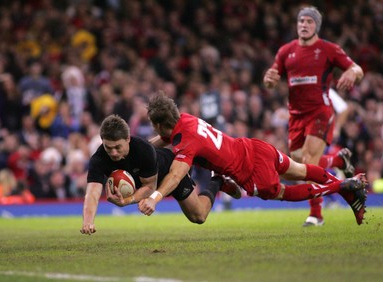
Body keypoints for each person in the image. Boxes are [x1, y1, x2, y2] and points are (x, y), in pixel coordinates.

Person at [139, 92, 368, 226]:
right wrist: (138, 151)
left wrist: (155, 199)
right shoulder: (185, 119)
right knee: (300, 170)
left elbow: (177, 174)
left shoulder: (185, 142)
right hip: (254, 147)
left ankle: (343, 186)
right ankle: (345, 185)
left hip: (250, 171)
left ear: (159, 124)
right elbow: (164, 139)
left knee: (282, 193)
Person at [263, 6, 364, 226]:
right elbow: (271, 79)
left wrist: (350, 72)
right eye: (301, 21)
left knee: (309, 160)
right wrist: (269, 81)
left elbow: (357, 69)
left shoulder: (328, 49)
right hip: (296, 116)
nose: (304, 25)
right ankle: (338, 160)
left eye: (309, 22)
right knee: (298, 166)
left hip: (320, 111)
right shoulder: (285, 51)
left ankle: (316, 214)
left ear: (316, 25)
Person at [80, 114, 240, 235]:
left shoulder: (143, 149)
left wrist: (127, 201)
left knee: (199, 216)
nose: (113, 153)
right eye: (108, 148)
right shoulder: (98, 159)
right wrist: (88, 222)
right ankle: (219, 180)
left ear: (128, 139)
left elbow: (150, 187)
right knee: (198, 218)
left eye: (117, 147)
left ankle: (217, 180)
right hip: (147, 182)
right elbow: (92, 193)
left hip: (169, 171)